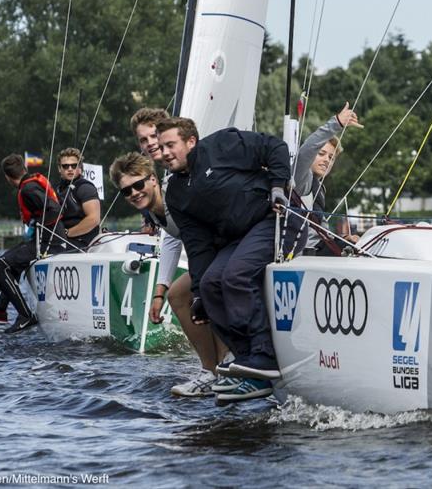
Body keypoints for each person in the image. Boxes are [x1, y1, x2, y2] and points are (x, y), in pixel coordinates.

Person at [160, 116, 291, 403]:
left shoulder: (221, 144)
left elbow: (275, 147)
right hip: (238, 238)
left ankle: (264, 356)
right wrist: (197, 296)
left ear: (191, 142)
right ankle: (248, 363)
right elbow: (197, 245)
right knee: (209, 286)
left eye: (171, 145)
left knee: (235, 275)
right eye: (161, 148)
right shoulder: (176, 193)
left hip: (273, 219)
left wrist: (278, 186)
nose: (165, 153)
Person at [109, 152, 230, 396]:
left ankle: (226, 365)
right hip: (208, 255)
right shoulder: (153, 210)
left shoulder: (175, 197)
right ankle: (210, 371)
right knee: (176, 295)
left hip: (227, 249)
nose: (134, 193)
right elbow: (172, 240)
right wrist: (159, 292)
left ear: (153, 179)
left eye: (138, 185)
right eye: (126, 191)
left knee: (205, 288)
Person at [0, 154, 67, 332]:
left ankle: (25, 315)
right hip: (43, 240)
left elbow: (54, 209)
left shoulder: (28, 189)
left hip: (49, 243)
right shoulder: (31, 183)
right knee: (8, 263)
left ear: (7, 177)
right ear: (24, 169)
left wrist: (37, 223)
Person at [291, 102, 362, 256]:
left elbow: (320, 230)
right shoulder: (300, 179)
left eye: (331, 157)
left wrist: (342, 239)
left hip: (320, 249)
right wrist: (336, 123)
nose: (326, 160)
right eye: (321, 154)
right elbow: (306, 151)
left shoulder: (319, 188)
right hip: (302, 255)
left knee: (361, 243)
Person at [55, 147, 100, 249]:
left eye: (74, 165)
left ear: (80, 167)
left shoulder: (85, 188)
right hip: (62, 241)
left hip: (83, 243)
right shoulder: (57, 190)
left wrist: (67, 233)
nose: (70, 169)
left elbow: (94, 219)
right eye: (65, 166)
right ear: (59, 168)